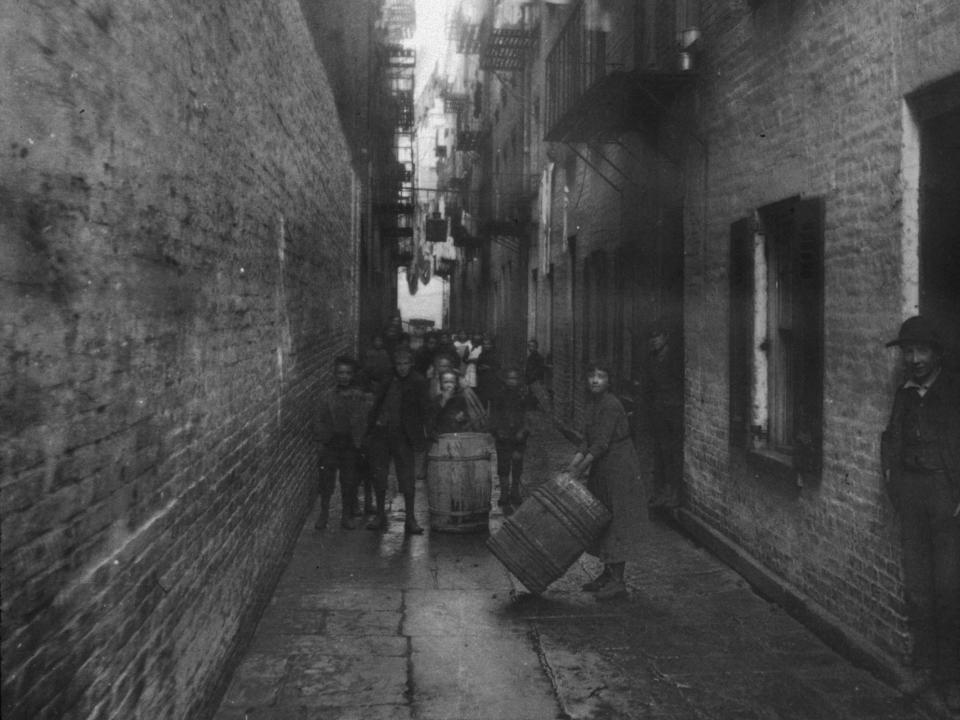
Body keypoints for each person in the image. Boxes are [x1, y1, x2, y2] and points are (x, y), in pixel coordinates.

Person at [880, 315, 960, 710]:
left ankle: (952, 677)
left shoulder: (953, 394)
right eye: (908, 351)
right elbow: (890, 442)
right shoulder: (904, 395)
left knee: (948, 589)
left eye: (921, 350)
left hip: (946, 496)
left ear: (937, 354)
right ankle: (924, 667)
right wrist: (895, 486)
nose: (913, 359)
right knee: (917, 589)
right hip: (912, 495)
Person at [566, 359, 648, 601]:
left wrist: (578, 471)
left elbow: (601, 444)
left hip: (619, 467)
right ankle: (607, 573)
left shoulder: (611, 404)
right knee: (602, 516)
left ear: (609, 381)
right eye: (591, 375)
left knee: (616, 520)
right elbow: (587, 439)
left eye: (601, 376)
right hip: (604, 466)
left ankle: (618, 581)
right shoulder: (593, 404)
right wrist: (572, 465)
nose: (595, 380)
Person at [365, 346, 431, 534]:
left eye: (405, 364)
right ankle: (380, 514)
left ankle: (410, 519)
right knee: (379, 475)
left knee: (407, 478)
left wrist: (427, 434)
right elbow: (377, 403)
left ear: (411, 364)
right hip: (382, 434)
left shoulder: (418, 382)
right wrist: (371, 428)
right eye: (399, 364)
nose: (402, 368)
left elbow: (426, 409)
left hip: (404, 435)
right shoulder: (388, 380)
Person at [314, 356, 371, 530]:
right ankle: (324, 514)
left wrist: (360, 442)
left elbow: (363, 420)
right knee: (326, 482)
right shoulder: (327, 397)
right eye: (340, 373)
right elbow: (320, 419)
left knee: (348, 482)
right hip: (332, 444)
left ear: (352, 375)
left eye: (347, 373)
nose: (344, 376)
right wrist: (323, 440)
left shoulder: (359, 397)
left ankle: (345, 516)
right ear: (335, 374)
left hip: (350, 445)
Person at [641, 320, 683, 508]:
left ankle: (674, 494)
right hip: (658, 411)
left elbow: (680, 384)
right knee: (660, 451)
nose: (653, 341)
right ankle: (661, 492)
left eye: (656, 337)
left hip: (673, 412)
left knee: (673, 452)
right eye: (651, 337)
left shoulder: (674, 358)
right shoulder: (651, 359)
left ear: (665, 337)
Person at [488, 366, 530, 515]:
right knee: (503, 465)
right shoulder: (499, 395)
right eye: (510, 378)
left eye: (515, 378)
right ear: (505, 380)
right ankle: (504, 493)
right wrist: (498, 430)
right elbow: (493, 415)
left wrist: (523, 430)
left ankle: (515, 491)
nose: (513, 381)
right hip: (503, 436)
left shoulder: (522, 396)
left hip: (518, 436)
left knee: (517, 463)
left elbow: (526, 416)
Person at [525, 339, 550, 411]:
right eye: (529, 346)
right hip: (531, 383)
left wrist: (531, 380)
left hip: (535, 383)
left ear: (536, 347)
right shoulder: (530, 358)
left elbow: (538, 371)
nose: (530, 348)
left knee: (536, 402)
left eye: (533, 346)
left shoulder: (538, 358)